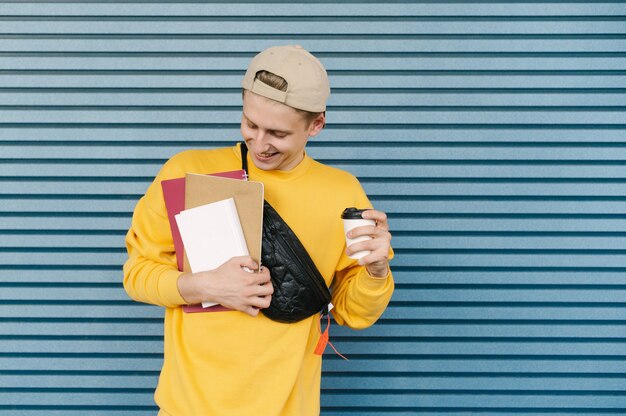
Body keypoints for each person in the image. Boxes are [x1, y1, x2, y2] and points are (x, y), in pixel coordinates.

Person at [123, 44, 394, 416]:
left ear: (317, 125)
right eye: (251, 124)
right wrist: (204, 285)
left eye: (278, 133)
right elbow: (137, 274)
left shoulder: (342, 192)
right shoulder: (187, 172)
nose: (260, 144)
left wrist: (376, 273)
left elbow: (353, 312)